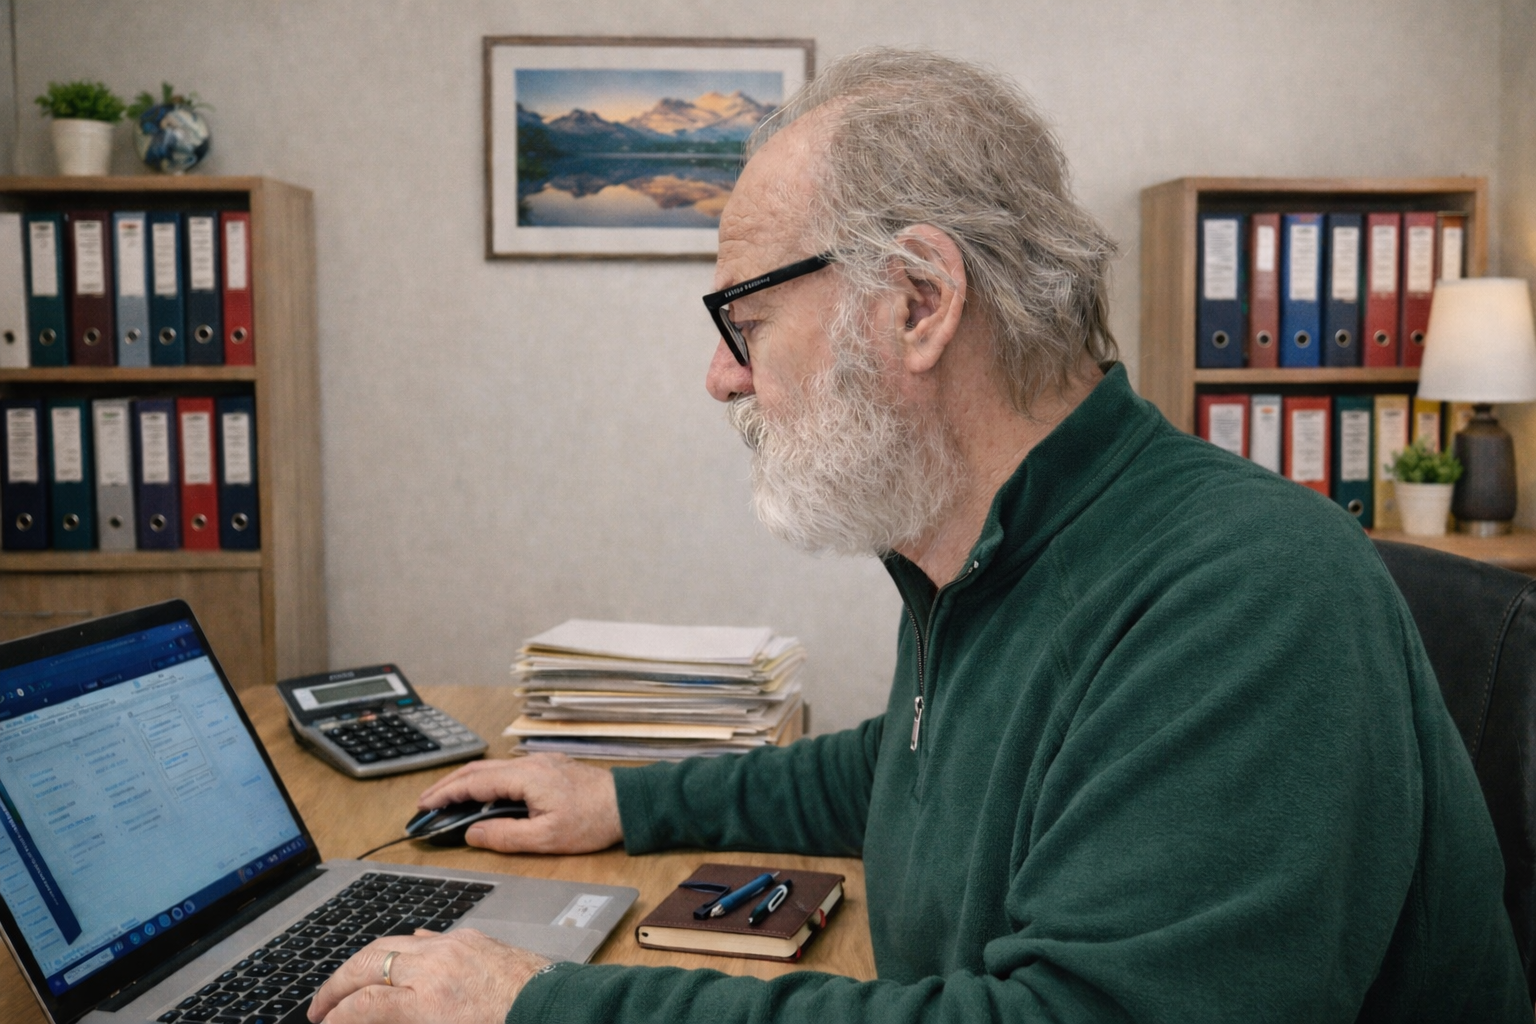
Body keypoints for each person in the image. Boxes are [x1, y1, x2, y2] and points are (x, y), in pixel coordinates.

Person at [310, 48, 1529, 1024]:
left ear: (920, 302)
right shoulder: (994, 555)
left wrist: (542, 1003)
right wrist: (622, 802)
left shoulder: (1248, 593)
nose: (722, 377)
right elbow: (901, 769)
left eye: (746, 321)